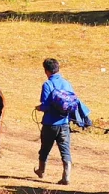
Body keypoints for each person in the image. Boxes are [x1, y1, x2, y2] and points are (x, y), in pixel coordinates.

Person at [35, 57, 84, 185]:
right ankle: (66, 176)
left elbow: (45, 105)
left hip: (50, 123)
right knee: (65, 150)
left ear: (46, 71)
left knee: (45, 148)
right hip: (64, 123)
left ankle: (41, 170)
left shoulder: (47, 85)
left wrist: (39, 108)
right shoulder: (67, 84)